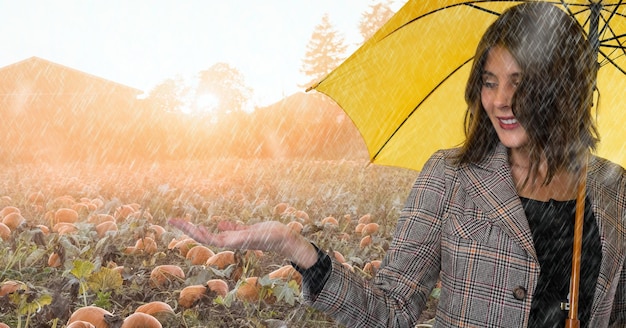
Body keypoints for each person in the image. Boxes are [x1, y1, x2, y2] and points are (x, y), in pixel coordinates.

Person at [169, 2, 626, 327]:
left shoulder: (613, 190)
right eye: (489, 83)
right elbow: (390, 310)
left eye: (520, 83)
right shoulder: (452, 177)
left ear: (563, 88)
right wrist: (297, 249)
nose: (500, 101)